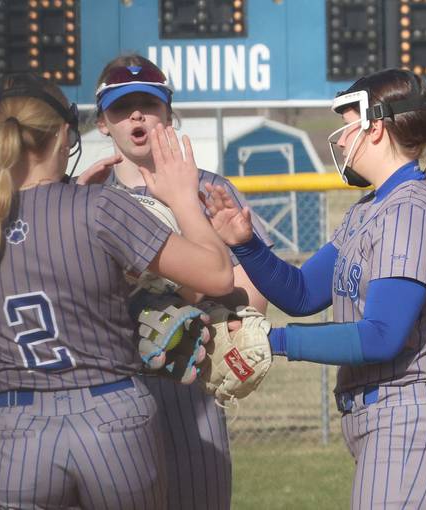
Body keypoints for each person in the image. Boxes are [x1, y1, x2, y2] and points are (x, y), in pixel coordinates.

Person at [0, 72, 235, 510]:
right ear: (65, 133)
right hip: (109, 416)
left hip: (18, 426)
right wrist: (182, 199)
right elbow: (216, 275)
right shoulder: (99, 208)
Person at [207, 68, 426, 509]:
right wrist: (246, 244)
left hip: (415, 424)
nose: (339, 136)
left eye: (349, 119)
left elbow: (380, 335)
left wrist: (272, 340)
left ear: (377, 126)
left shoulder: (409, 211)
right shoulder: (371, 208)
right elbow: (301, 292)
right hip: (393, 423)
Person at [84, 54, 273, 510]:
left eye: (148, 103)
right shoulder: (84, 200)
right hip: (110, 391)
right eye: (120, 106)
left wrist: (185, 302)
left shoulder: (211, 191)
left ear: (168, 113)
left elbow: (255, 299)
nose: (136, 115)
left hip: (191, 391)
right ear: (103, 124)